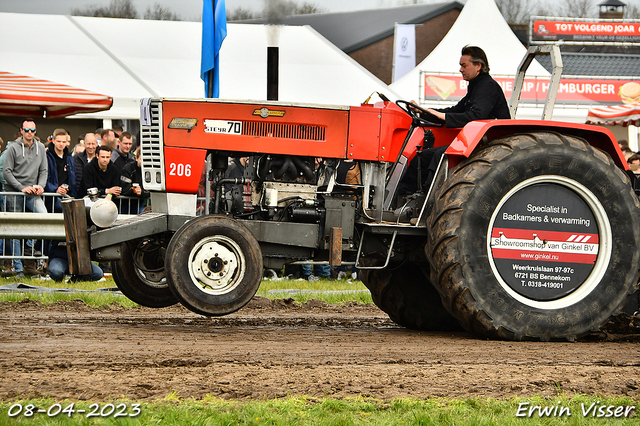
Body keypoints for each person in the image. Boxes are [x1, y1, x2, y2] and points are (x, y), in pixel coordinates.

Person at [399, 45, 510, 197]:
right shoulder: (476, 86)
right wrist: (423, 112)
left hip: (490, 143)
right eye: (460, 65)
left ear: (478, 66)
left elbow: (475, 116)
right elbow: (455, 110)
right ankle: (405, 196)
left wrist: (441, 116)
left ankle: (431, 201)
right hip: (478, 142)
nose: (460, 69)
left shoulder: (487, 87)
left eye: (464, 65)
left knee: (440, 155)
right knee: (423, 156)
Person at [2, 119, 48, 278]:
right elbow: (6, 172)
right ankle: (19, 268)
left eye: (33, 130)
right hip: (14, 192)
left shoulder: (41, 147)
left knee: (44, 217)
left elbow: (44, 171)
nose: (30, 133)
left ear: (35, 131)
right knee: (14, 229)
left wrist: (40, 186)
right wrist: (21, 187)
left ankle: (29, 248)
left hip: (33, 191)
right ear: (21, 130)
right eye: (27, 130)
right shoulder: (12, 147)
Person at [44, 128, 77, 213]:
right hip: (52, 197)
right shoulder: (46, 157)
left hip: (68, 195)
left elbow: (73, 178)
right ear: (53, 140)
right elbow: (43, 178)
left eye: (63, 142)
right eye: (59, 141)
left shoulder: (69, 157)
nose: (61, 144)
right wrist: (56, 189)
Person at [120, 146, 148, 214]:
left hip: (140, 203)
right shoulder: (128, 168)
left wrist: (142, 192)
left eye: (146, 159)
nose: (144, 162)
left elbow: (151, 190)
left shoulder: (150, 171)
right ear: (136, 158)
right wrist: (134, 190)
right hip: (125, 203)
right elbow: (123, 187)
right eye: (142, 159)